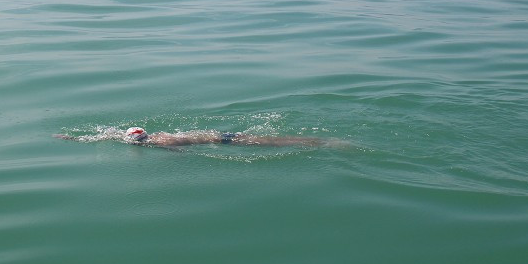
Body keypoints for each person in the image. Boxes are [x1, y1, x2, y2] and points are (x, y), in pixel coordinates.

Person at [55, 126, 333, 148]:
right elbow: (107, 135)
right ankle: (313, 140)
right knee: (272, 139)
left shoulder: (163, 143)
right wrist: (72, 138)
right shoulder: (156, 137)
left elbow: (179, 152)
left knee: (272, 143)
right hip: (217, 135)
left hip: (223, 141)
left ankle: (318, 143)